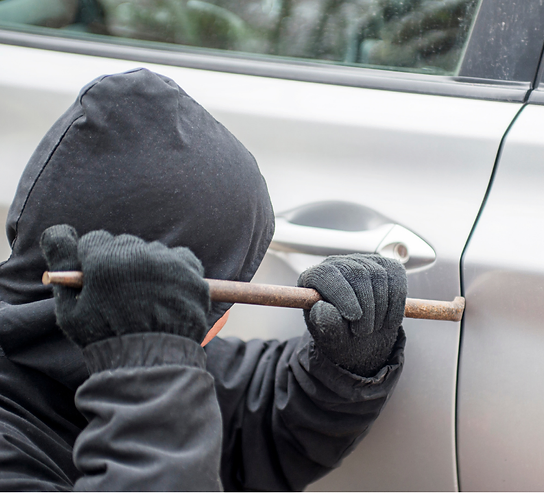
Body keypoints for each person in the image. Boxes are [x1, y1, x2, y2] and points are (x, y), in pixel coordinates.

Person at [0, 68, 406, 490]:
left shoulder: (90, 352)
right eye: (229, 294)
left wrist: (343, 367)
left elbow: (249, 420)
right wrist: (149, 382)